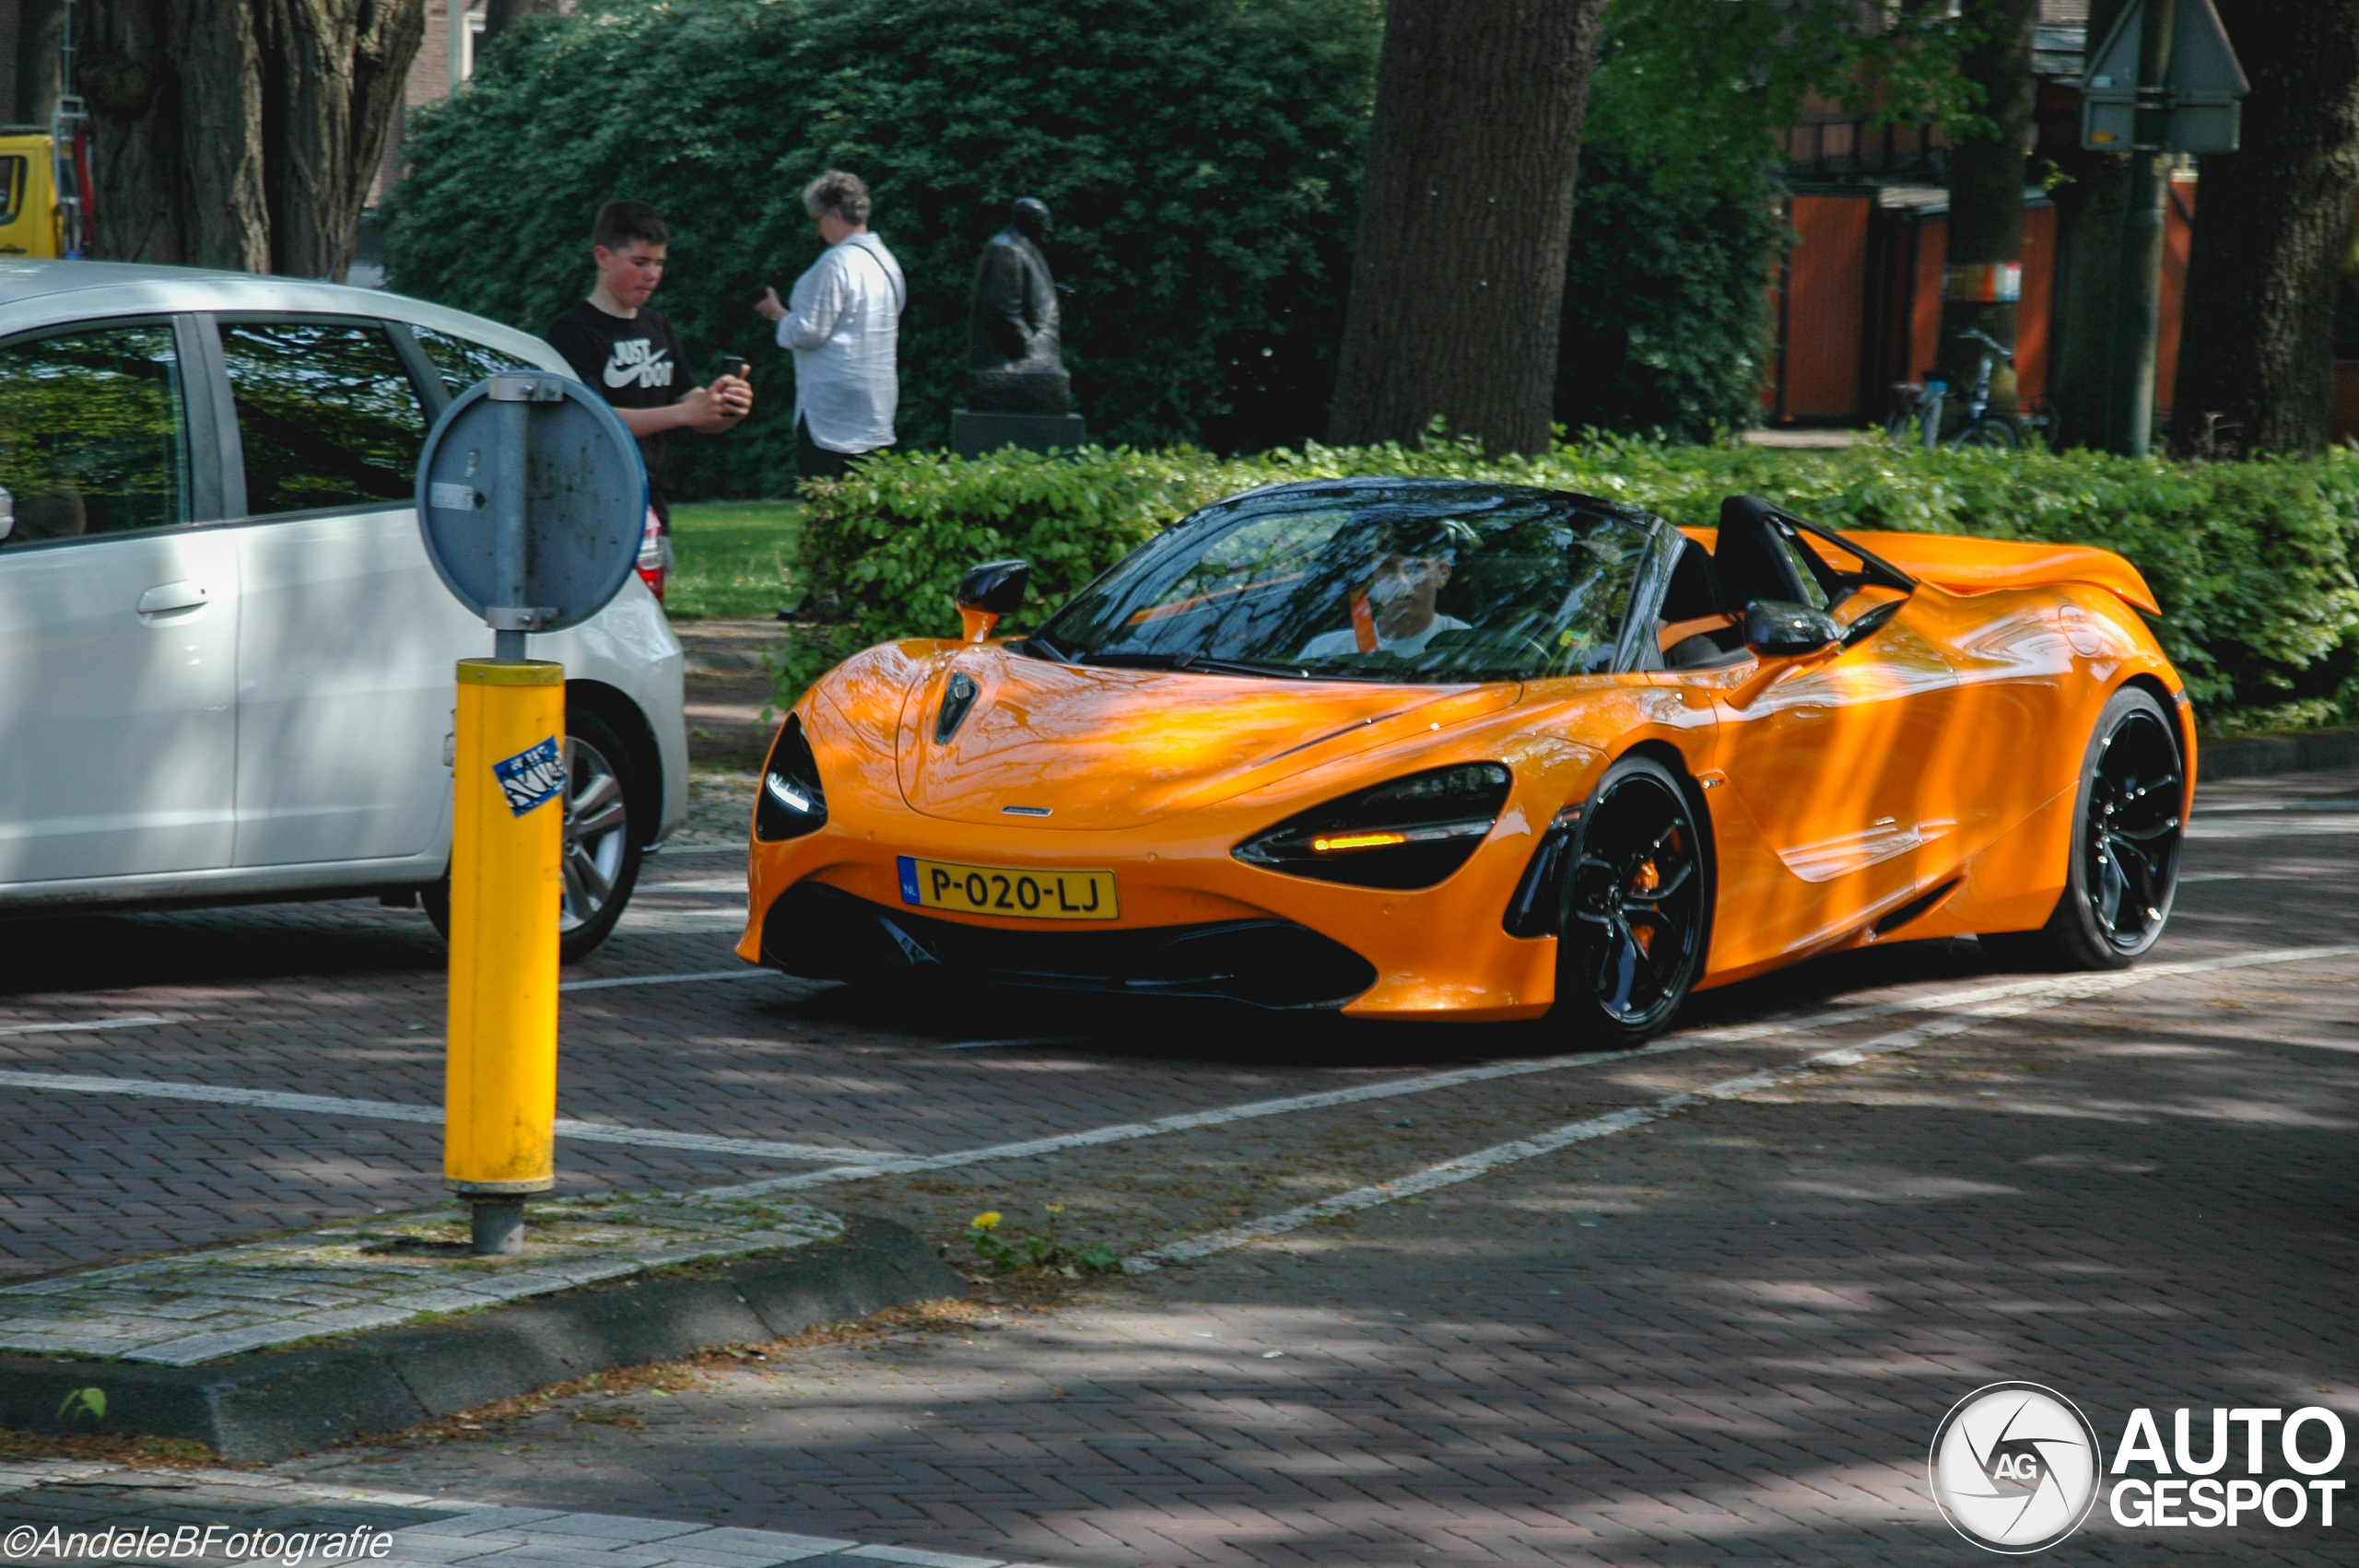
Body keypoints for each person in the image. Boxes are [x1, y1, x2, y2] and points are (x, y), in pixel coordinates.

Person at [548, 199, 752, 599]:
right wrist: (684, 412)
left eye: (659, 263)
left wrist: (724, 405)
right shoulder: (572, 331)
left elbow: (694, 407)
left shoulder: (659, 327)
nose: (652, 275)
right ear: (602, 257)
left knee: (647, 617)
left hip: (653, 502)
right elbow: (592, 420)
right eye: (640, 262)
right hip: (596, 504)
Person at [755, 170, 905, 480]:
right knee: (868, 504)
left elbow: (807, 332)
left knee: (823, 499)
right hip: (876, 399)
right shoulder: (887, 262)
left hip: (832, 405)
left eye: (817, 218)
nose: (817, 228)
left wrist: (776, 313)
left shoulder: (834, 264)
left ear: (835, 214)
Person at [1300, 544, 1469, 659]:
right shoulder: (1323, 651)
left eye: (1416, 568)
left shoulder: (1469, 647)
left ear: (1443, 574)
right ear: (1373, 574)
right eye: (1388, 567)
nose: (1401, 581)